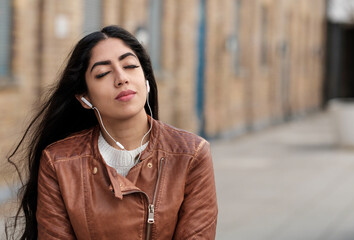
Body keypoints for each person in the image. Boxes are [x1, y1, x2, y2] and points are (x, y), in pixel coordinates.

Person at [6, 25, 218, 240]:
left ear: (146, 80)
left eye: (130, 66)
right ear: (84, 98)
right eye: (103, 73)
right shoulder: (58, 161)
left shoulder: (191, 154)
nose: (121, 78)